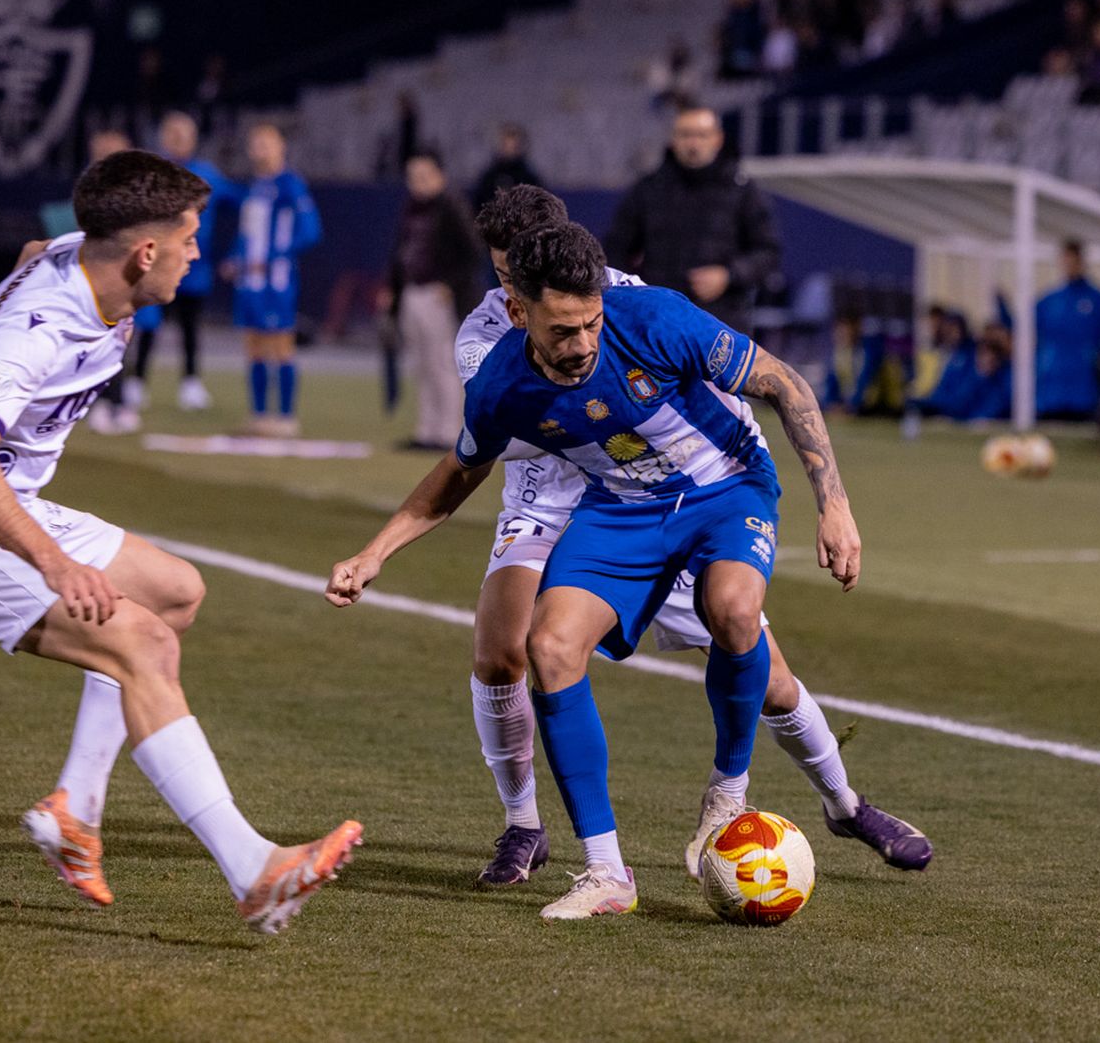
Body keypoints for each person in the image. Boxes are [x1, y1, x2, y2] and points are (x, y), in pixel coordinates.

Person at [0, 151, 359, 933]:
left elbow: (29, 262)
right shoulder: (41, 331)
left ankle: (76, 807)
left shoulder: (74, 256)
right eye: (190, 239)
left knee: (176, 592)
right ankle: (255, 868)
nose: (197, 253)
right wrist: (53, 560)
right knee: (138, 644)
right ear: (146, 252)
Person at [328, 223, 866, 920]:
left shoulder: (654, 318)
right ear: (518, 311)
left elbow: (786, 385)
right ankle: (607, 872)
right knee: (547, 647)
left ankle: (727, 793)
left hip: (726, 485)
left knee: (734, 609)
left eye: (591, 323)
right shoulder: (500, 385)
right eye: (563, 330)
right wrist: (375, 552)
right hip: (623, 507)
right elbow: (458, 472)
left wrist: (836, 505)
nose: (582, 343)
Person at [448, 186, 928, 888]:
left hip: (672, 485)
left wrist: (727, 475)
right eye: (500, 273)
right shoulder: (484, 337)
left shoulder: (629, 301)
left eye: (518, 271)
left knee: (767, 670)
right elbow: (507, 433)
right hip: (556, 494)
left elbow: (723, 374)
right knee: (504, 651)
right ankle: (526, 827)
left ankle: (843, 802)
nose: (508, 290)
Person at [604, 104, 781, 338]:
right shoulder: (649, 189)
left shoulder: (743, 190)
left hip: (722, 322)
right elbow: (616, 247)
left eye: (702, 135)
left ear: (718, 139)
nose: (693, 143)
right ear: (673, 139)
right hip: (659, 320)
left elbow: (768, 252)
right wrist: (635, 296)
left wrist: (729, 275)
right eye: (686, 135)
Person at [36, 129, 165, 437]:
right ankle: (96, 402)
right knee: (86, 345)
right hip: (87, 283)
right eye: (103, 152)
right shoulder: (87, 196)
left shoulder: (139, 196)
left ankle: (113, 402)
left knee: (116, 344)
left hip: (123, 282)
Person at [113, 112, 229, 430]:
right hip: (155, 262)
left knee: (191, 326)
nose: (177, 139)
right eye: (172, 133)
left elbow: (239, 202)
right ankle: (136, 382)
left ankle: (190, 382)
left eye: (183, 133)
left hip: (193, 266)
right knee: (147, 324)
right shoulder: (154, 173)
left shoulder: (207, 175)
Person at [226, 123, 322, 437]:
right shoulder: (255, 186)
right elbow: (247, 233)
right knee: (253, 346)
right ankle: (259, 415)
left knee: (280, 345)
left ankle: (285, 417)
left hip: (275, 283)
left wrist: (275, 257)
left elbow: (310, 231)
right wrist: (235, 258)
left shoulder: (290, 184)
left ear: (282, 146)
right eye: (255, 143)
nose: (260, 149)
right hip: (248, 283)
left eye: (267, 143)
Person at [385, 151, 482, 450]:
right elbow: (403, 253)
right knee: (422, 365)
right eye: (413, 177)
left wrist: (449, 285)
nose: (418, 183)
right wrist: (393, 288)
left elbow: (474, 251)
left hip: (438, 296)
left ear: (440, 176)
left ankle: (448, 432)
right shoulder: (413, 208)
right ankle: (426, 430)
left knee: (442, 364)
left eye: (425, 176)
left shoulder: (452, 207)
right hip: (414, 292)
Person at [1035, 239, 1100, 420]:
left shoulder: (1099, 300)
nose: (1070, 265)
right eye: (1066, 260)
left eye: (1074, 260)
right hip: (1052, 389)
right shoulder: (1049, 301)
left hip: (1085, 388)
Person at [471, 124, 542, 210]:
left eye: (512, 146)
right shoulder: (489, 177)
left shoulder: (529, 178)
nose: (508, 149)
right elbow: (478, 204)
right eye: (505, 145)